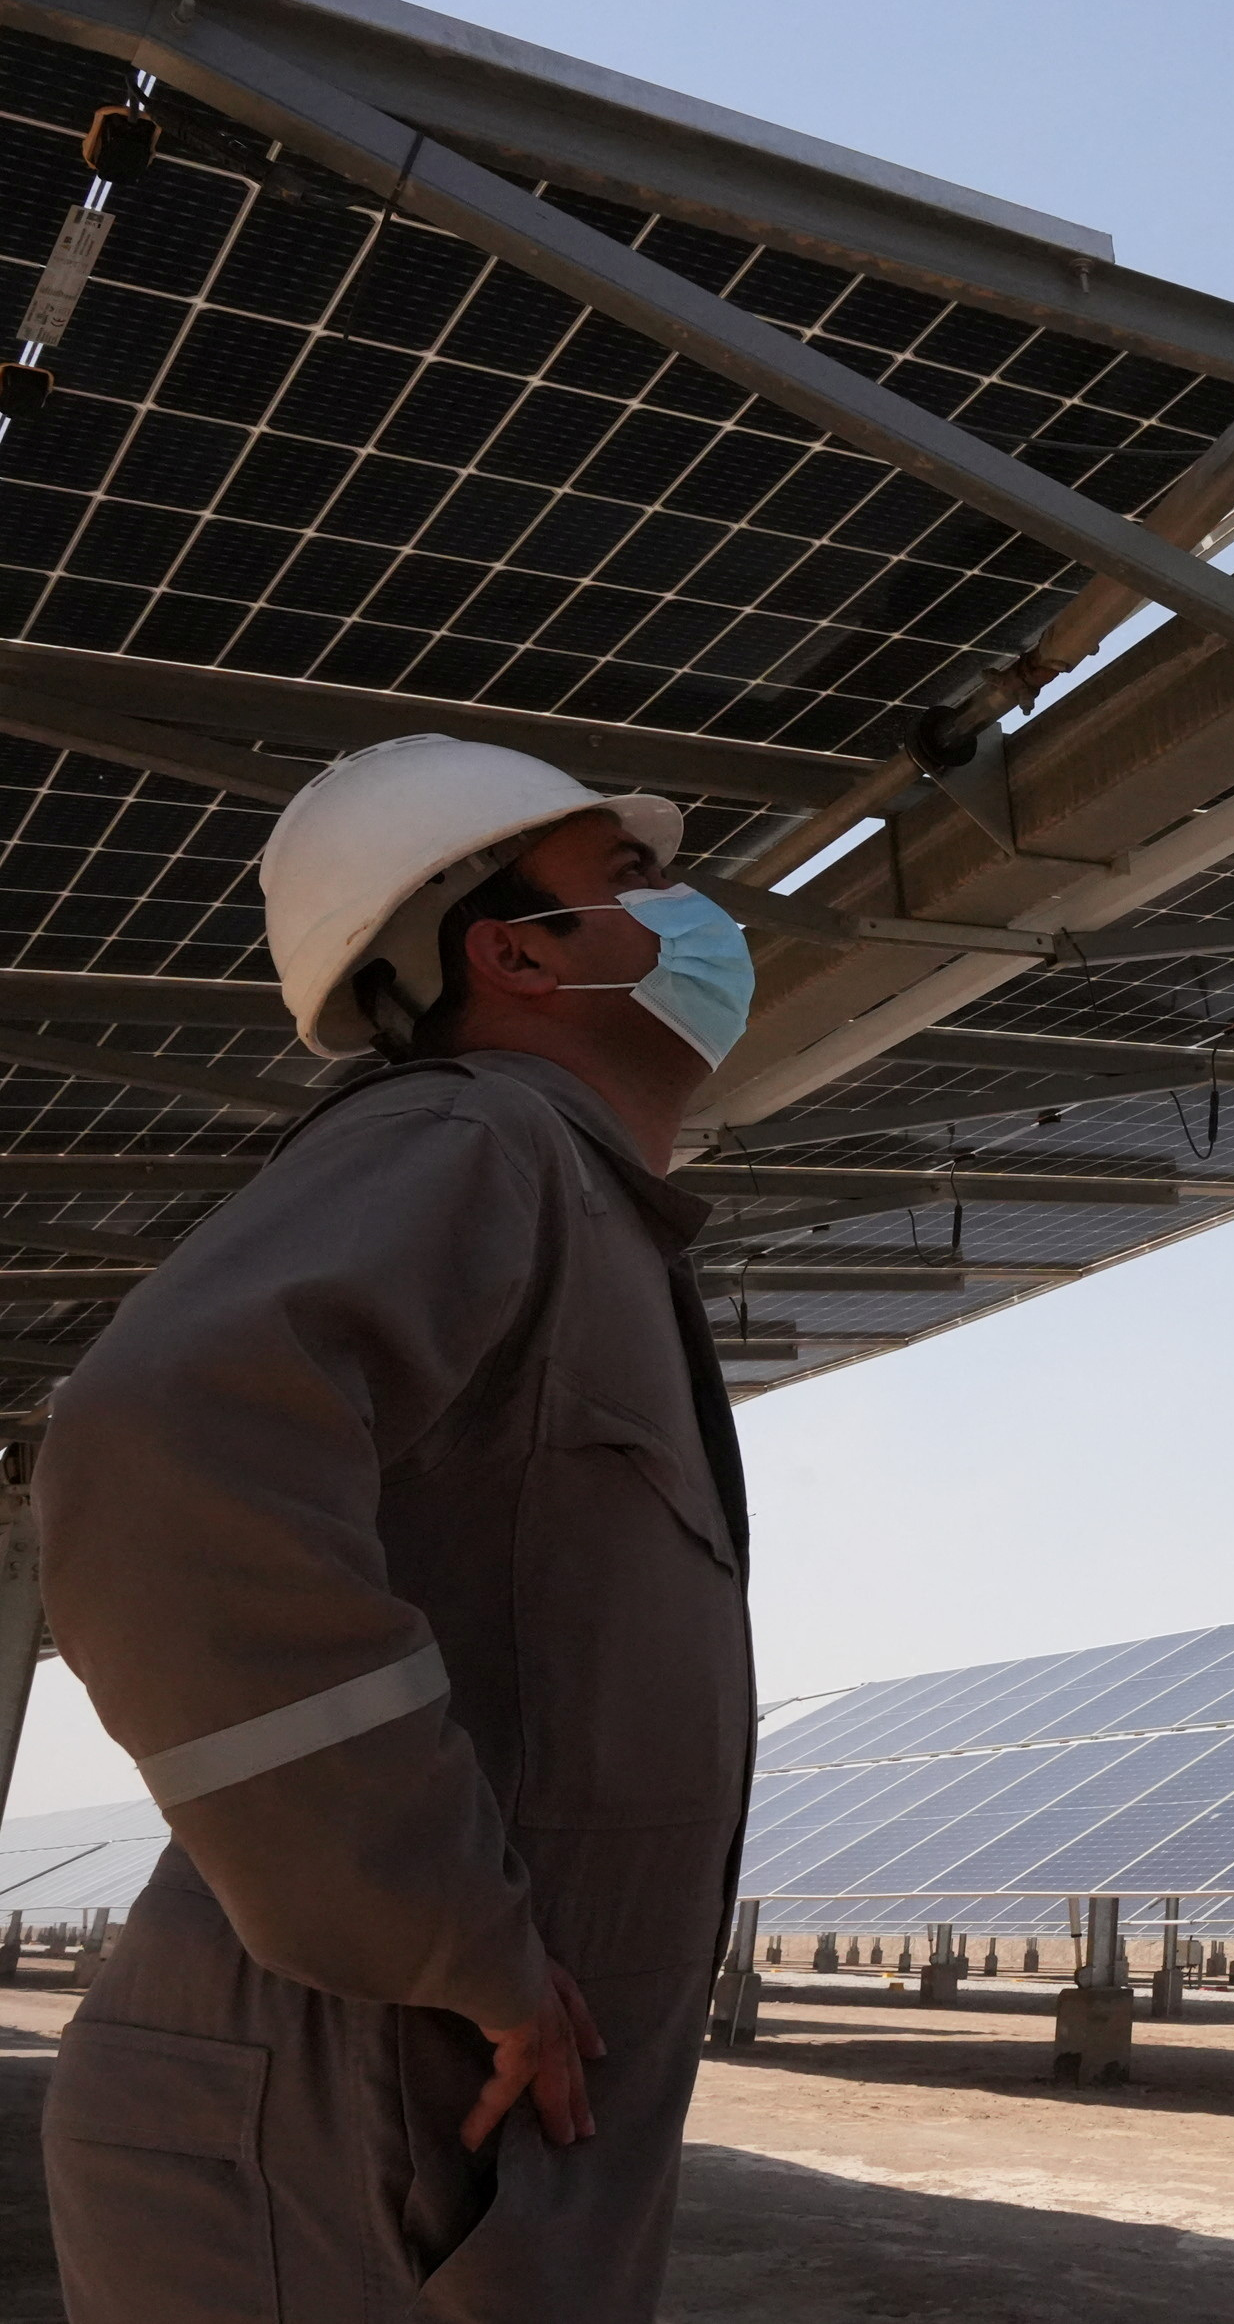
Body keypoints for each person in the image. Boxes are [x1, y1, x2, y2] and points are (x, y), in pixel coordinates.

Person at [37, 735, 763, 2321]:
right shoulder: (472, 1137)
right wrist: (442, 1930)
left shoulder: (572, 1201)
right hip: (350, 2102)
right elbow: (161, 1434)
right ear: (512, 953)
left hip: (416, 2116)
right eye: (627, 882)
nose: (695, 914)